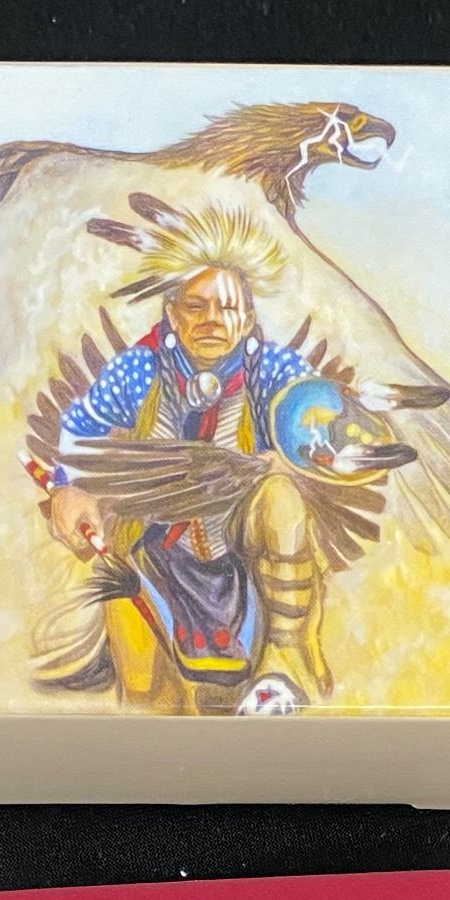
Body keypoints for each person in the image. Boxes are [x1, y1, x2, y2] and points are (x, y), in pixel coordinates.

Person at [45, 203, 331, 709]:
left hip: (241, 539)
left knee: (281, 497)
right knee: (148, 702)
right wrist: (67, 487)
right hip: (149, 546)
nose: (211, 320)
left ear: (248, 318)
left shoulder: (270, 370)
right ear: (172, 315)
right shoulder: (139, 370)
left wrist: (301, 452)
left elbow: (314, 410)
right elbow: (82, 429)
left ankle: (285, 662)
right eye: (196, 307)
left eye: (226, 308)